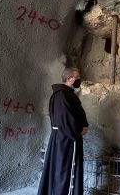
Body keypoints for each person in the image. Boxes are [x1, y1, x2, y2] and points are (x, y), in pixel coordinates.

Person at [38, 67, 89, 195]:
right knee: (63, 171)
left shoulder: (68, 94)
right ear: (69, 79)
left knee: (63, 170)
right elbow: (64, 119)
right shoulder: (61, 95)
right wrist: (78, 130)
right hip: (65, 139)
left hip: (66, 138)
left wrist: (83, 125)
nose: (79, 79)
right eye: (77, 77)